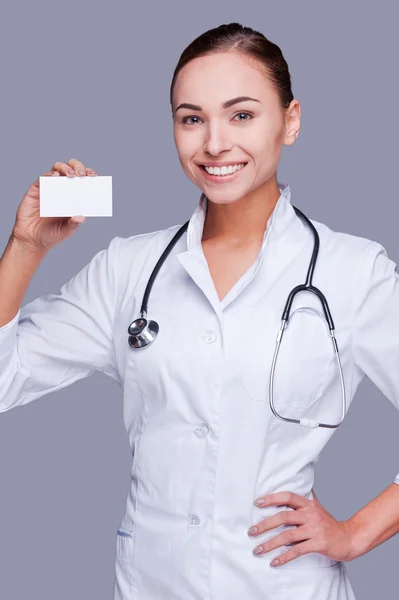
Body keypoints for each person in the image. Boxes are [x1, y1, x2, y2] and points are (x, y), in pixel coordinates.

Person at [0, 21, 398, 600]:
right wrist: (26, 248)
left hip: (283, 587)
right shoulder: (128, 270)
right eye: (192, 118)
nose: (214, 143)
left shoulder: (354, 272)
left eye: (241, 115)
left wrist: (357, 533)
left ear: (290, 121)